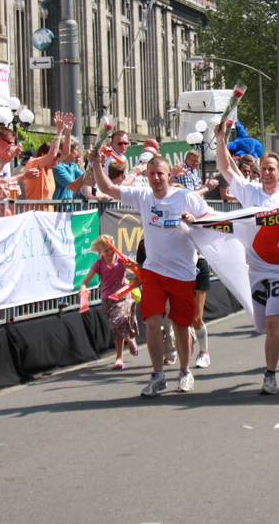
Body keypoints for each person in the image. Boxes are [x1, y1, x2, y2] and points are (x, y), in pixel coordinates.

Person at [93, 154, 211, 397]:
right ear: (146, 175)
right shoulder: (143, 195)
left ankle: (185, 371)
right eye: (152, 174)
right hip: (154, 271)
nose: (156, 178)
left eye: (160, 174)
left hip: (182, 273)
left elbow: (209, 216)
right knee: (152, 322)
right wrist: (95, 164)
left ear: (169, 175)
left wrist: (195, 219)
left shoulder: (185, 197)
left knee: (181, 325)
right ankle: (158, 375)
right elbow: (107, 188)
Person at [214, 123, 279, 395]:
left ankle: (270, 376)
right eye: (263, 169)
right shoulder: (250, 192)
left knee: (272, 321)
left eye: (271, 169)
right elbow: (225, 168)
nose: (266, 173)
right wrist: (220, 139)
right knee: (262, 325)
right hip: (256, 268)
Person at [80, 234, 139, 369]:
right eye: (105, 251)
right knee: (118, 326)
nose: (109, 253)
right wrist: (83, 289)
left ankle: (119, 358)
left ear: (114, 247)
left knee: (120, 323)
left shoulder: (122, 259)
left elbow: (139, 269)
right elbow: (85, 281)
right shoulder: (98, 264)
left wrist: (131, 266)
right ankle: (130, 340)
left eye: (111, 249)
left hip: (123, 296)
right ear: (100, 252)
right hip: (108, 299)